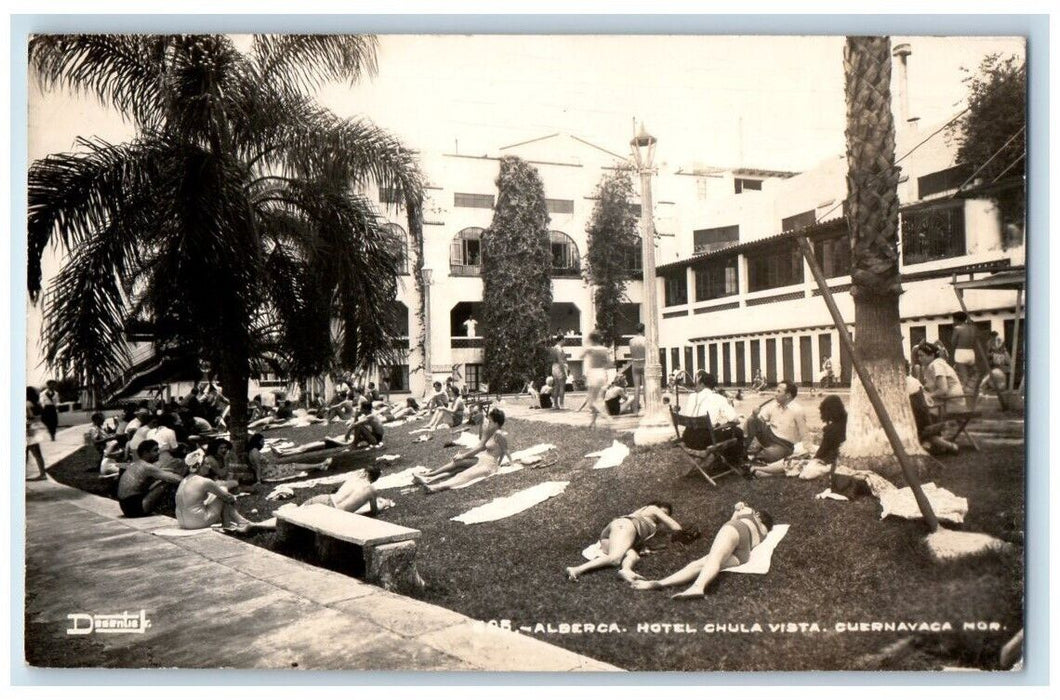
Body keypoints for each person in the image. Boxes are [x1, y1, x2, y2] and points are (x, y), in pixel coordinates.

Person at [632, 502, 775, 599]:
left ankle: (698, 587)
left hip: (737, 529)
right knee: (702, 564)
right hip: (744, 554)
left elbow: (731, 520)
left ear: (758, 515)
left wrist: (738, 507)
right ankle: (659, 583)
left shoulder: (749, 511)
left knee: (713, 559)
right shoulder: (764, 533)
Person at [565, 502, 682, 582]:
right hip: (625, 526)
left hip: (617, 532)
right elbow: (675, 526)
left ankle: (626, 570)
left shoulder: (650, 524)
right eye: (663, 513)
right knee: (615, 559)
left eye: (666, 514)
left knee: (633, 556)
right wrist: (683, 531)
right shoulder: (652, 508)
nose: (662, 516)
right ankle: (576, 569)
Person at [414, 408, 510, 493]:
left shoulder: (498, 434)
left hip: (488, 463)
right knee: (458, 467)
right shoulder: (489, 430)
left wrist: (499, 464)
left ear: (496, 423)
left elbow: (503, 451)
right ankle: (429, 477)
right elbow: (482, 445)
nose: (488, 423)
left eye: (490, 421)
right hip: (483, 458)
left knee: (462, 472)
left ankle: (433, 483)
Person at [752, 395, 847, 477]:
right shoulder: (846, 423)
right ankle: (765, 472)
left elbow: (821, 453)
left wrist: (811, 457)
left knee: (794, 461)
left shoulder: (830, 430)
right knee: (799, 455)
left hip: (828, 461)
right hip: (835, 458)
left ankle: (760, 469)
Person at [743, 380, 808, 463]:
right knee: (752, 420)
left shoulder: (798, 411)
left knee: (768, 455)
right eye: (776, 391)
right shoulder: (774, 405)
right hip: (769, 436)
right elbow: (759, 420)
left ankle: (759, 454)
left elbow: (804, 433)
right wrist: (754, 414)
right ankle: (743, 451)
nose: (775, 394)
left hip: (784, 445)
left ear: (788, 395)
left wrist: (809, 449)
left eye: (778, 391)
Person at [175, 472, 264, 531]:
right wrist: (233, 498)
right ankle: (230, 523)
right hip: (197, 522)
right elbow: (226, 497)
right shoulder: (205, 481)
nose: (208, 466)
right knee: (223, 490)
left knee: (219, 494)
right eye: (205, 464)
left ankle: (240, 521)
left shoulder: (184, 480)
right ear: (200, 466)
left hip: (182, 522)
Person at [117, 440, 184, 518]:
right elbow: (175, 479)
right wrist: (187, 480)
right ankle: (172, 507)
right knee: (165, 482)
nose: (158, 453)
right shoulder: (147, 467)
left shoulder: (136, 464)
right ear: (146, 453)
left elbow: (162, 472)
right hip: (135, 508)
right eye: (155, 450)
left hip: (125, 507)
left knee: (162, 476)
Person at [905, 359, 959, 455]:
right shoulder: (915, 381)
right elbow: (927, 399)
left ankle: (949, 446)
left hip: (916, 419)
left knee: (925, 434)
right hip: (926, 417)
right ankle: (949, 446)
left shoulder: (903, 383)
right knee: (929, 435)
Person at [245, 432, 333, 484]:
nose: (263, 444)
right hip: (270, 473)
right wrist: (258, 481)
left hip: (271, 470)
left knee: (293, 466)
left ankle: (319, 465)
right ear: (258, 442)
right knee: (293, 466)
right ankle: (320, 465)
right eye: (262, 442)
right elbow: (258, 467)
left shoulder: (253, 451)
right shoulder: (255, 452)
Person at [301, 465, 383, 515]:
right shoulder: (372, 491)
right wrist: (384, 504)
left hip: (326, 499)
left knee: (297, 511)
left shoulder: (354, 477)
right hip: (337, 513)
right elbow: (374, 512)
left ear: (365, 473)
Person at [915, 342, 964, 413]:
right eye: (918, 356)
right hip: (948, 401)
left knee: (917, 408)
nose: (919, 359)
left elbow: (943, 389)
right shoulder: (935, 364)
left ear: (932, 355)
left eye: (922, 356)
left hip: (951, 403)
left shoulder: (936, 365)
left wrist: (928, 395)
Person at [582, 331, 614, 429]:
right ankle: (593, 422)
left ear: (591, 340)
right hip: (602, 372)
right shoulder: (604, 349)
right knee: (597, 398)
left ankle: (606, 416)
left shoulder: (590, 349)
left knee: (592, 401)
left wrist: (587, 347)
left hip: (593, 373)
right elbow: (610, 363)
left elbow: (581, 355)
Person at [951, 312, 980, 407]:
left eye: (954, 320)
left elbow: (953, 343)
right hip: (971, 353)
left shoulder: (957, 329)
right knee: (975, 376)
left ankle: (966, 404)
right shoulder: (973, 328)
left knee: (964, 379)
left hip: (960, 352)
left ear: (956, 320)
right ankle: (973, 400)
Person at [26, 387, 47, 479]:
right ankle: (43, 473)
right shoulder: (38, 404)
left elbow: (28, 417)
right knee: (37, 454)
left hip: (28, 430)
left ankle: (42, 474)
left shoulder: (27, 404)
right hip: (36, 429)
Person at [627, 324, 646, 414]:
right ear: (643, 330)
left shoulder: (631, 341)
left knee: (636, 387)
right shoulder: (646, 340)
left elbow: (631, 353)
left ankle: (635, 410)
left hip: (635, 363)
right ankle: (647, 408)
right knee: (646, 387)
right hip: (644, 362)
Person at [549, 334, 568, 410]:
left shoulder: (553, 348)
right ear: (562, 340)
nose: (565, 342)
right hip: (559, 367)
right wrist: (563, 371)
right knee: (562, 386)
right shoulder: (559, 349)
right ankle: (562, 404)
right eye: (564, 340)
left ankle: (555, 404)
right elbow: (560, 360)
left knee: (556, 386)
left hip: (554, 366)